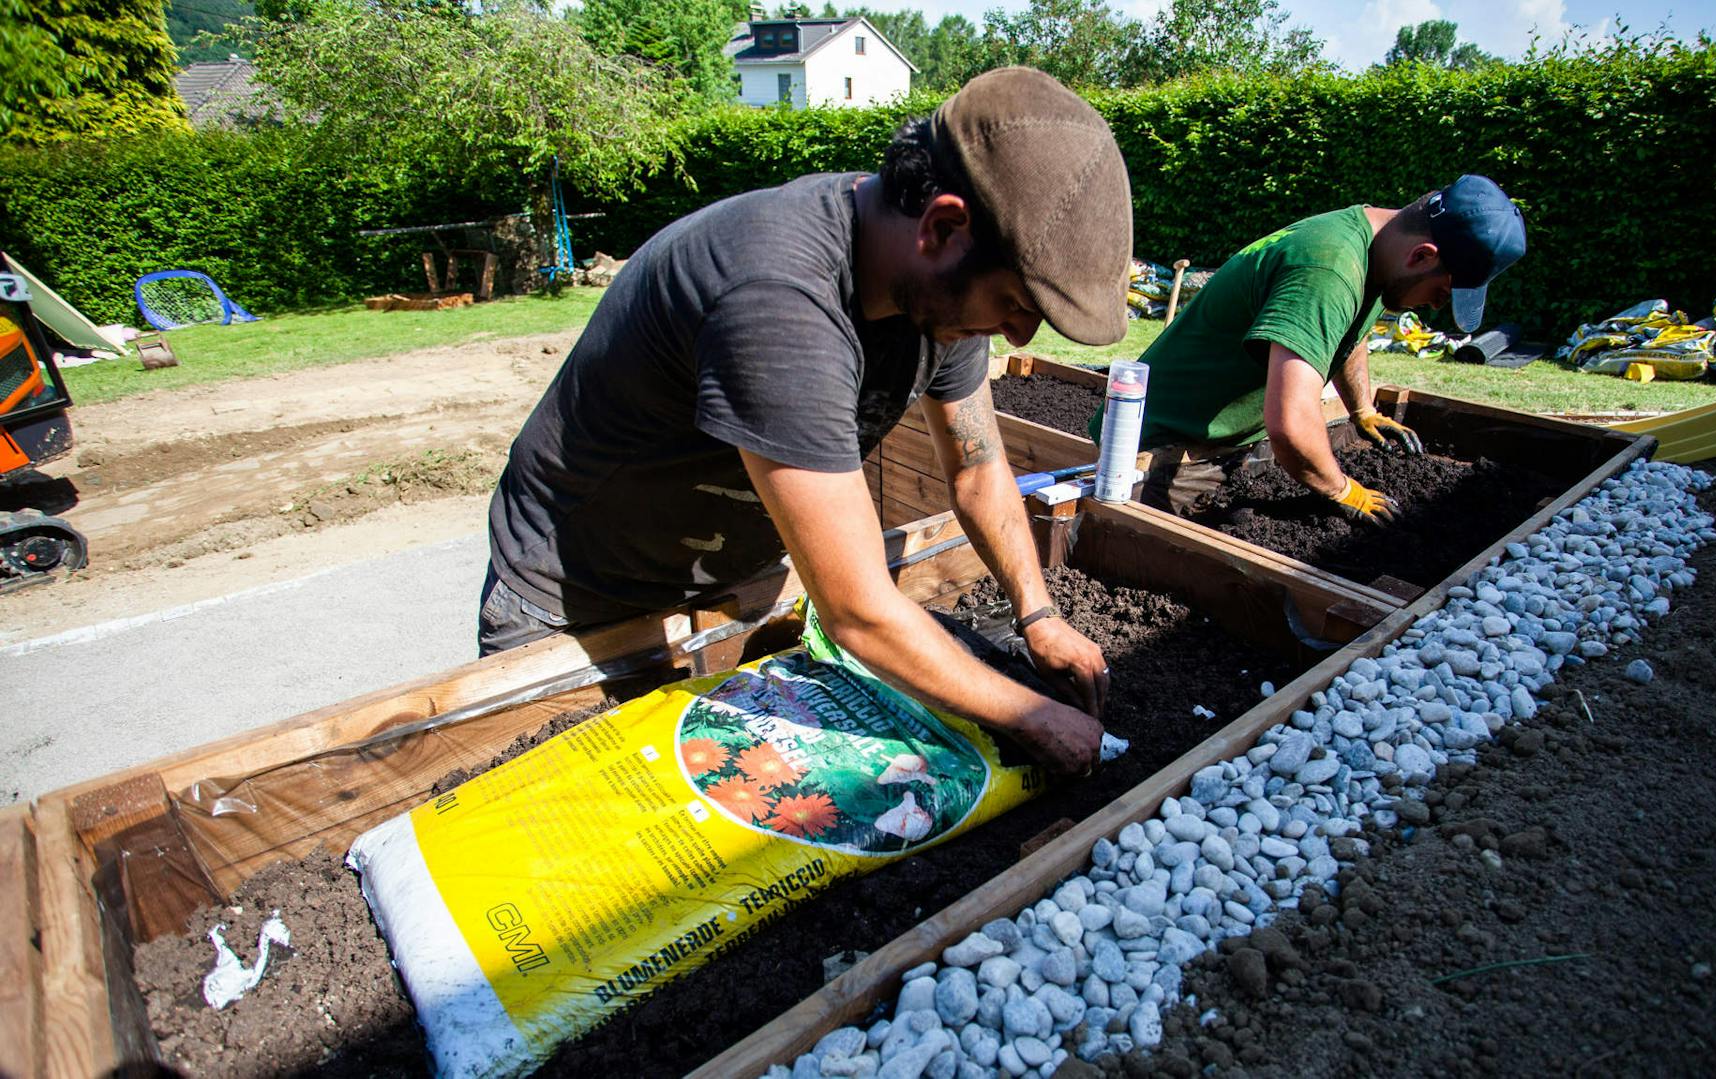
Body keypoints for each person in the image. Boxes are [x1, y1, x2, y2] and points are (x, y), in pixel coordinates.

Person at [480, 67, 1134, 776]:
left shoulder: (936, 296)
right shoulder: (779, 298)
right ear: (943, 225)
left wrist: (1037, 615)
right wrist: (1033, 715)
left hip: (727, 585)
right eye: (1014, 304)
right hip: (583, 602)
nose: (1017, 338)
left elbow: (977, 469)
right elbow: (857, 610)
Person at [1101, 175, 1526, 519]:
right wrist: (1345, 492)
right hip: (1162, 454)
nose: (1437, 305)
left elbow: (1348, 331)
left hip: (1222, 441)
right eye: (1441, 290)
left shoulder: (1371, 245)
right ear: (1422, 256)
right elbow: (1290, 423)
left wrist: (1362, 409)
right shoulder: (1327, 270)